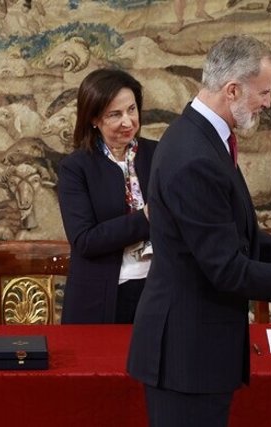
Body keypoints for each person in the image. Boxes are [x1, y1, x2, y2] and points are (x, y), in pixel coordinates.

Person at [126, 35, 271, 427]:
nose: (268, 103)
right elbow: (226, 268)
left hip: (198, 349)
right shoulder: (194, 157)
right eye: (264, 92)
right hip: (187, 356)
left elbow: (236, 232)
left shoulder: (203, 137)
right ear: (232, 89)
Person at [57, 68, 156, 324]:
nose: (128, 121)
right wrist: (146, 218)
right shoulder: (76, 167)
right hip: (99, 298)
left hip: (157, 289)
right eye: (115, 114)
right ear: (93, 118)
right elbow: (85, 240)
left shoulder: (159, 155)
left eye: (131, 110)